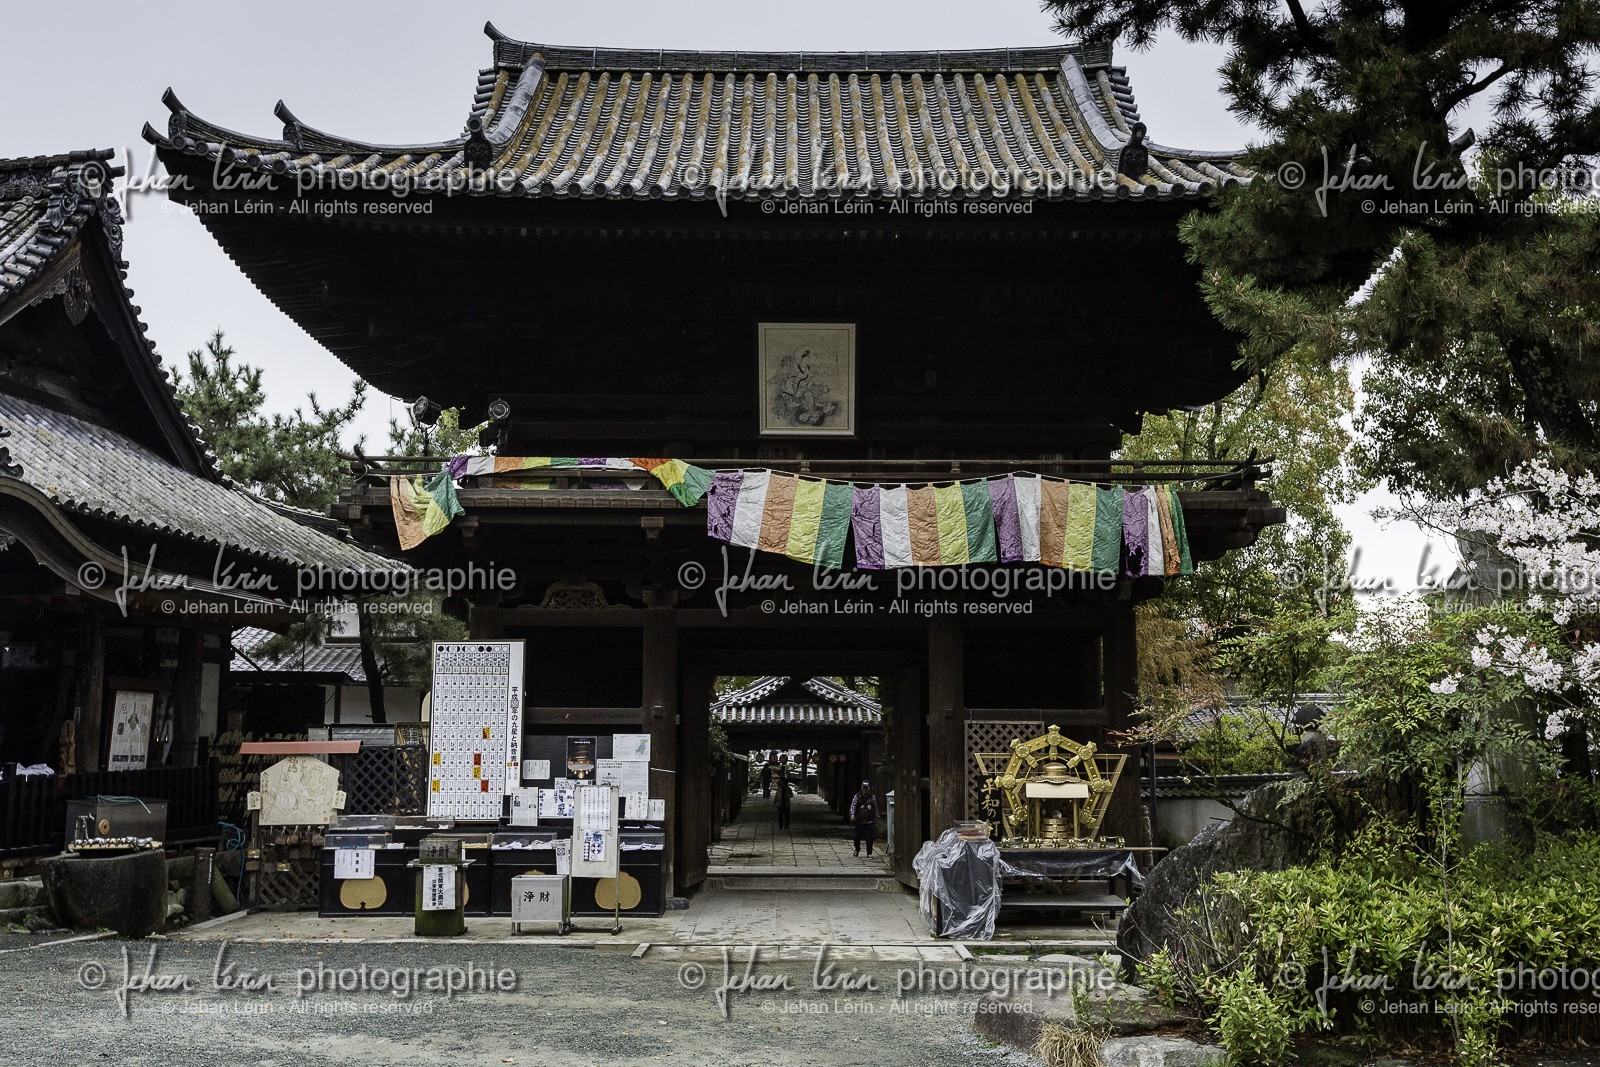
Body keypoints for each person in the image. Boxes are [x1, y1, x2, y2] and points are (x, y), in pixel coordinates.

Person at [849, 780, 878, 857]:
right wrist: (852, 815)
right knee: (857, 837)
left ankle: (869, 853)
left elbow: (875, 807)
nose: (865, 789)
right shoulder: (857, 796)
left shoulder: (872, 797)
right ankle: (857, 849)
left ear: (869, 788)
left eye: (866, 787)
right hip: (859, 820)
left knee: (869, 838)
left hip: (869, 820)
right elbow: (853, 805)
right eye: (864, 787)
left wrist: (877, 817)